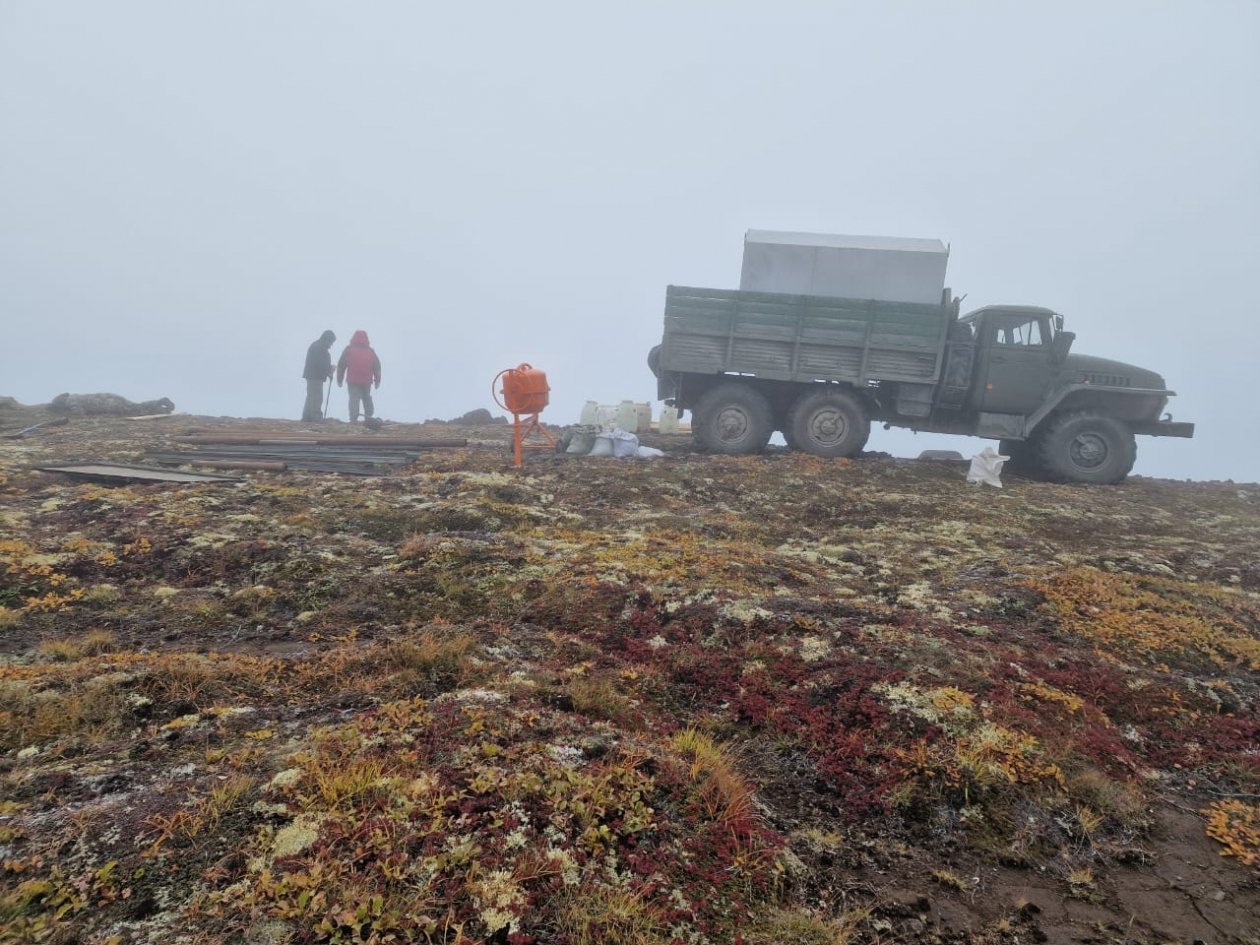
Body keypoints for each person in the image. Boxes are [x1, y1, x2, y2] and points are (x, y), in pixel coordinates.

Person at [336, 330, 382, 423]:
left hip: (352, 380)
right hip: (366, 380)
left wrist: (339, 379)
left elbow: (341, 365)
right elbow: (377, 367)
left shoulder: (348, 350)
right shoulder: (370, 351)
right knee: (367, 397)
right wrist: (377, 380)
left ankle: (353, 418)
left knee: (354, 398)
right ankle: (369, 417)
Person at [301, 330, 336, 421]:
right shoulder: (318, 347)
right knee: (317, 396)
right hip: (315, 376)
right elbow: (319, 363)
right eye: (331, 342)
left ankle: (307, 416)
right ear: (327, 339)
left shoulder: (318, 346)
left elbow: (319, 363)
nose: (331, 344)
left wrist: (328, 369)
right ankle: (316, 416)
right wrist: (329, 369)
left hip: (313, 375)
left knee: (311, 396)